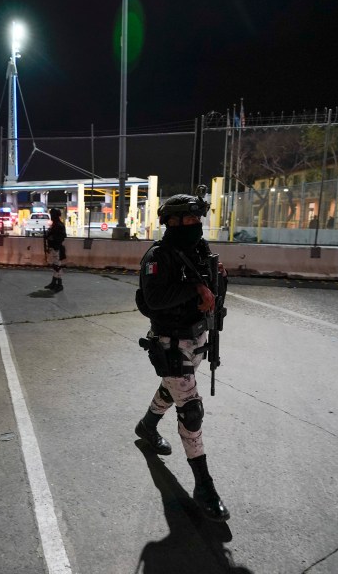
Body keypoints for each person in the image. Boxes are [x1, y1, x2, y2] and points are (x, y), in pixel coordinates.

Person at [134, 192, 230, 522]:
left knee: (174, 390)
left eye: (197, 220)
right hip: (170, 340)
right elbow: (154, 297)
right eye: (188, 220)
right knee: (191, 410)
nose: (195, 226)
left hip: (198, 335)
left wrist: (217, 282)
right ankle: (204, 487)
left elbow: (212, 289)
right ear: (171, 222)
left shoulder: (200, 250)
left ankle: (147, 426)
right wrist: (196, 289)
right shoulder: (157, 255)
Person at [43, 207, 67, 292]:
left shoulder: (59, 225)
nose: (51, 217)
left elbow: (62, 237)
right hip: (54, 248)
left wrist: (51, 238)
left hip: (57, 248)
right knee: (55, 266)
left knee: (57, 266)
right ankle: (54, 283)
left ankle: (59, 284)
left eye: (53, 215)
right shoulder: (55, 225)